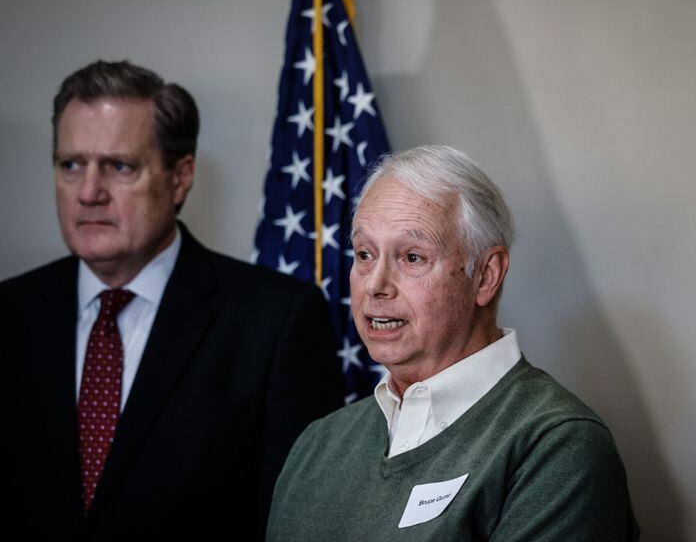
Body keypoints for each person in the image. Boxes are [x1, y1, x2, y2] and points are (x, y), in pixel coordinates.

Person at [0, 60, 341, 541]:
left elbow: (299, 522)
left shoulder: (276, 321)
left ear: (180, 177)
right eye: (70, 165)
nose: (89, 192)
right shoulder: (9, 315)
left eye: (119, 166)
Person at [266, 145, 639, 541]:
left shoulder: (557, 445)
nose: (375, 285)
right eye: (364, 254)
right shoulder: (318, 443)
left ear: (485, 276)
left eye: (411, 257)